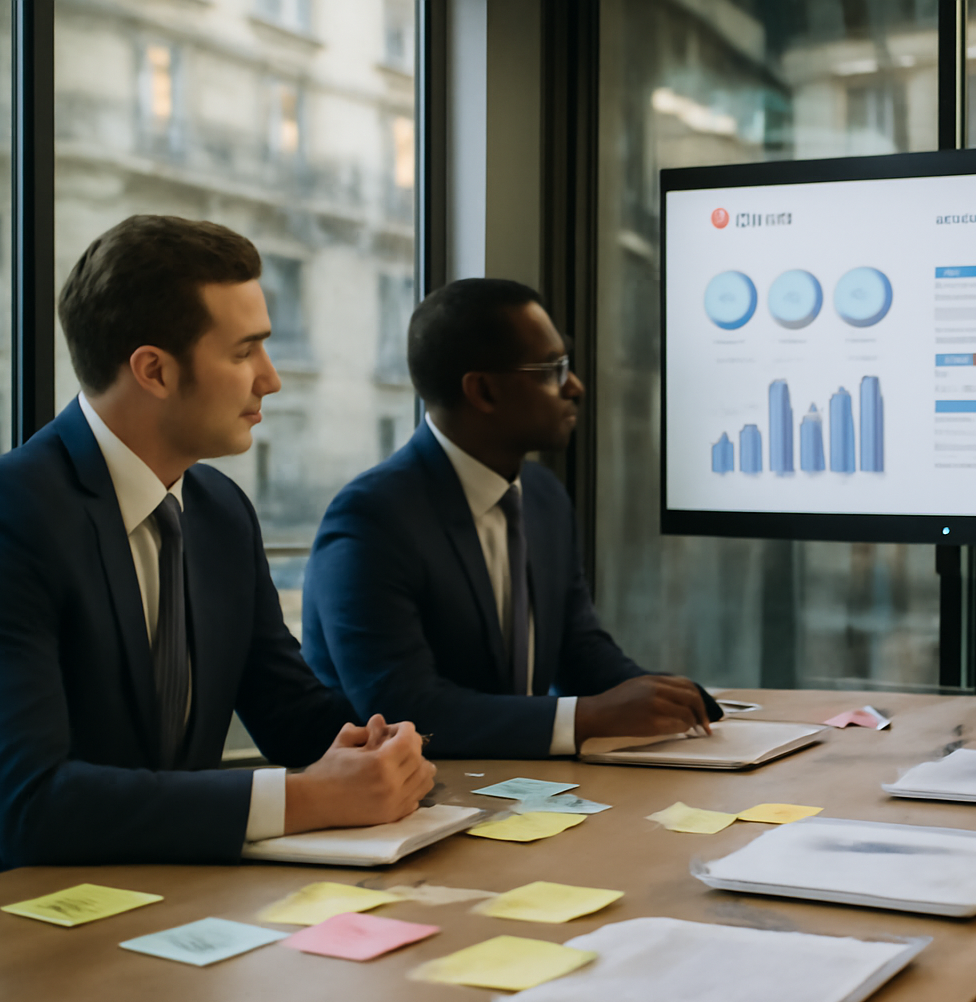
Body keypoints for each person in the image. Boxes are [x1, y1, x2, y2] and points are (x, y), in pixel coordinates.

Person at [0, 215, 434, 905]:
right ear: (153, 370)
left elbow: (286, 706)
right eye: (245, 352)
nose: (271, 379)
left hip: (159, 894)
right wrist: (304, 799)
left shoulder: (220, 511)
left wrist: (377, 752)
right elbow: (33, 806)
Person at [301, 278, 712, 759]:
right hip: (404, 805)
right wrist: (587, 717)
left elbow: (579, 649)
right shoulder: (373, 519)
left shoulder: (542, 496)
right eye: (553, 370)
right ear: (484, 390)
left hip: (516, 788)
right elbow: (405, 709)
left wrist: (670, 698)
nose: (574, 386)